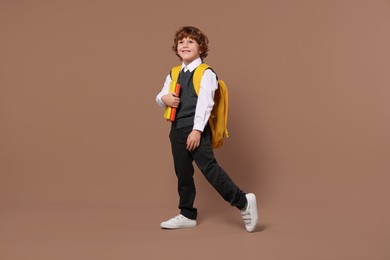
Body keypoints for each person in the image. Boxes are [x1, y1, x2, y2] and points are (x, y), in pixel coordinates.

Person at [155, 26, 258, 232]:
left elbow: (205, 104)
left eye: (190, 42)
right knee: (182, 172)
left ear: (201, 48)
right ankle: (187, 214)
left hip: (196, 130)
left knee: (210, 170)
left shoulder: (206, 73)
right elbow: (160, 96)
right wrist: (163, 98)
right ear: (176, 48)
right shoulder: (174, 72)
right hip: (176, 130)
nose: (185, 45)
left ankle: (243, 201)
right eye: (181, 42)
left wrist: (197, 130)